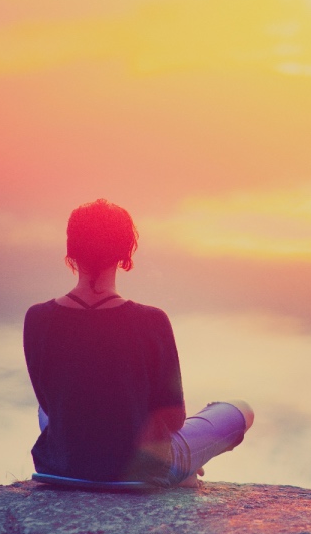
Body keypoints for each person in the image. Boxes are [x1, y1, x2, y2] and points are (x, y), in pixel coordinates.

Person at [23, 199, 253, 487]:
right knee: (241, 410)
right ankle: (182, 470)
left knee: (47, 410)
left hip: (63, 467)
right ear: (124, 253)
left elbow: (47, 403)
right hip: (141, 470)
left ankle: (178, 468)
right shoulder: (152, 321)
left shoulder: (38, 317)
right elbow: (174, 420)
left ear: (71, 252)